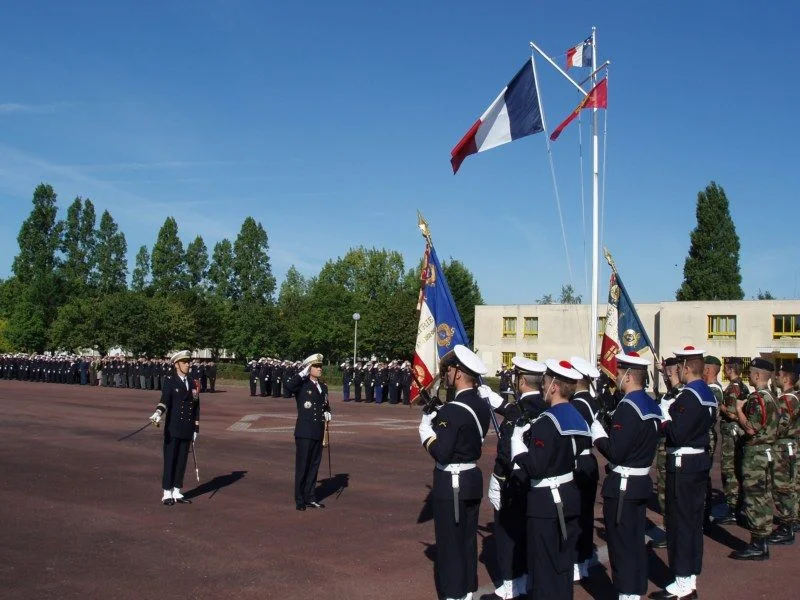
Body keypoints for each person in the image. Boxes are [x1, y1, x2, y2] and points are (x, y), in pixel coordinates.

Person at [511, 359, 590, 600]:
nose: (543, 386)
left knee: (544, 569)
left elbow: (535, 466)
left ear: (554, 386)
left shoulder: (548, 420)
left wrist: (518, 448)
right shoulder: (578, 417)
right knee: (562, 566)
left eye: (545, 382)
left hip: (546, 503)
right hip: (568, 494)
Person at [418, 345, 491, 600]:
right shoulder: (481, 405)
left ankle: (453, 594)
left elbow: (443, 452)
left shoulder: (454, 409)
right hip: (471, 479)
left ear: (459, 373)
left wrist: (426, 431)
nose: (447, 374)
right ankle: (468, 590)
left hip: (453, 483)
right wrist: (440, 415)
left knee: (449, 544)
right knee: (467, 541)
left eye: (449, 369)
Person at [591, 352, 662, 600]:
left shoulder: (628, 407)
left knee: (622, 544)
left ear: (630, 376)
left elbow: (616, 452)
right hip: (640, 480)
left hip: (623, 484)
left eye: (620, 373)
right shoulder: (650, 404)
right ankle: (634, 590)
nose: (617, 377)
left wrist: (599, 435)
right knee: (634, 542)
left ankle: (627, 593)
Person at [651, 346, 716, 599]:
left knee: (680, 524)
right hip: (697, 462)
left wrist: (664, 416)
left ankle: (681, 581)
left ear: (687, 368)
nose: (676, 371)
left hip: (683, 465)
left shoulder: (690, 396)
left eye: (679, 367)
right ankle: (688, 580)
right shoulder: (707, 393)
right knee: (691, 524)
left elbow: (676, 432)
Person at [482, 356, 544, 600]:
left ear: (521, 381)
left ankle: (509, 586)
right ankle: (525, 578)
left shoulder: (518, 411)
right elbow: (512, 410)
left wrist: (498, 476)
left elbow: (507, 450)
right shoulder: (545, 406)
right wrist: (498, 403)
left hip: (512, 480)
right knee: (528, 532)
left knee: (508, 533)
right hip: (534, 480)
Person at [731, 357, 779, 560]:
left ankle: (758, 544)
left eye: (751, 372)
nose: (748, 375)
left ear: (758, 375)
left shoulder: (757, 398)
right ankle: (762, 540)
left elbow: (751, 427)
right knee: (764, 496)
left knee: (754, 498)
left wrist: (740, 410)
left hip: (756, 455)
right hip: (767, 451)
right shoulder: (771, 396)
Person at [149, 350, 200, 506]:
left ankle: (177, 490)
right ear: (177, 364)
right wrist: (158, 413)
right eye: (185, 362)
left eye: (188, 362)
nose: (188, 365)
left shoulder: (193, 382)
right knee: (170, 459)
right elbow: (164, 401)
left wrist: (196, 428)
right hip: (173, 427)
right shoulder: (170, 381)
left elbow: (196, 406)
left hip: (186, 428)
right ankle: (167, 492)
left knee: (182, 461)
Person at [568, 355, 602, 581]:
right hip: (589, 460)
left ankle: (579, 559)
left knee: (577, 513)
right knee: (586, 512)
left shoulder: (578, 404)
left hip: (578, 460)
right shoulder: (592, 401)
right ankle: (585, 556)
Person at [286, 353, 331, 511]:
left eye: (320, 366)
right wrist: (301, 374)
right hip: (304, 432)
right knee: (302, 466)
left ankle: (311, 497)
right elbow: (288, 388)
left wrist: (328, 412)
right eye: (316, 366)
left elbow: (325, 405)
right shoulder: (302, 385)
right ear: (309, 368)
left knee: (314, 466)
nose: (320, 369)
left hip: (318, 431)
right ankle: (299, 498)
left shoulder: (323, 387)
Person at [769, 361, 800, 544]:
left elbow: (779, 425)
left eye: (779, 375)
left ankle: (787, 527)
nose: (776, 378)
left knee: (781, 487)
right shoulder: (792, 397)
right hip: (787, 446)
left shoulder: (788, 399)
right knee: (789, 486)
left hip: (783, 447)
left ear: (787, 378)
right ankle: (790, 522)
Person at [716, 357, 749, 524]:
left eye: (726, 368)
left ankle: (733, 507)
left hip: (732, 433)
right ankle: (737, 503)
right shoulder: (742, 387)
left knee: (729, 469)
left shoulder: (732, 389)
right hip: (737, 432)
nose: (724, 371)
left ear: (730, 369)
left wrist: (720, 405)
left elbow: (731, 413)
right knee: (736, 467)